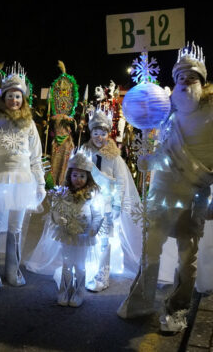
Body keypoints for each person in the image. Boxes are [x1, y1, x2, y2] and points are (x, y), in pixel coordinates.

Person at [117, 43, 213, 334]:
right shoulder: (169, 113)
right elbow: (164, 151)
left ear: (202, 81)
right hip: (163, 191)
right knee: (150, 248)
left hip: (193, 194)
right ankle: (141, 300)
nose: (185, 82)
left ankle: (177, 308)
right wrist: (148, 160)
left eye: (191, 77)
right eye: (180, 77)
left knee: (186, 256)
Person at [0, 68, 46, 288]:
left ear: (22, 99)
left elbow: (35, 156)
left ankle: (12, 270)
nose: (14, 100)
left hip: (23, 182)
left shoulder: (29, 124)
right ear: (3, 98)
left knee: (16, 227)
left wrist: (40, 182)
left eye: (17, 96)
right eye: (10, 95)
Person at [82, 108, 142, 292]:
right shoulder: (84, 151)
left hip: (106, 203)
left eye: (103, 133)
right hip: (87, 202)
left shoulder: (114, 156)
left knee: (104, 240)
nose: (99, 137)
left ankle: (102, 274)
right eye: (95, 133)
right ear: (90, 133)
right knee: (85, 235)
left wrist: (117, 205)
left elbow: (121, 182)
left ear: (108, 134)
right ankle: (85, 267)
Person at [47, 150, 103, 307]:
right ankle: (64, 290)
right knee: (66, 263)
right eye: (75, 175)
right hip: (66, 234)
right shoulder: (63, 193)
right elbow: (55, 211)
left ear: (88, 178)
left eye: (82, 176)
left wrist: (94, 228)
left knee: (79, 265)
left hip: (83, 236)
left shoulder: (92, 195)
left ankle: (78, 292)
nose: (78, 180)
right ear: (69, 176)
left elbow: (98, 215)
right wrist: (60, 220)